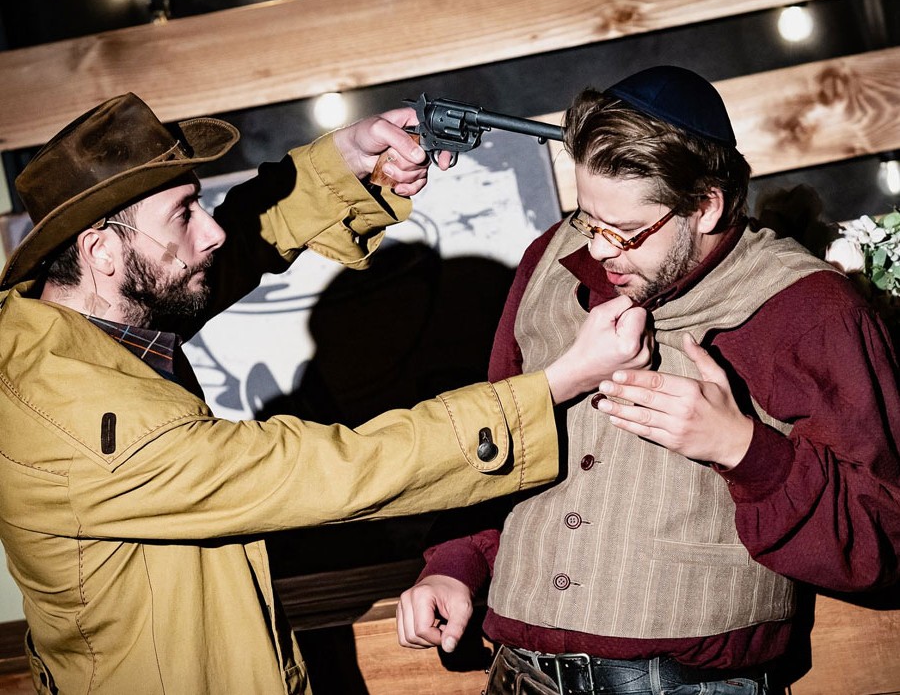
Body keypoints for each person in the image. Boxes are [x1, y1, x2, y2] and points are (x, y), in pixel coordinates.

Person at [0, 93, 633, 695]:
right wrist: (552, 386)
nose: (211, 232)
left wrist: (348, 159)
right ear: (100, 250)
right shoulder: (79, 422)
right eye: (184, 214)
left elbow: (240, 241)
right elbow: (335, 470)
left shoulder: (84, 324)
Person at [397, 66, 900, 695]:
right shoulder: (546, 262)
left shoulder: (810, 311)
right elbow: (500, 437)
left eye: (628, 232)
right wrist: (456, 563)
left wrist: (743, 450)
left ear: (706, 205)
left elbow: (886, 537)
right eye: (588, 219)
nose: (599, 250)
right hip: (515, 675)